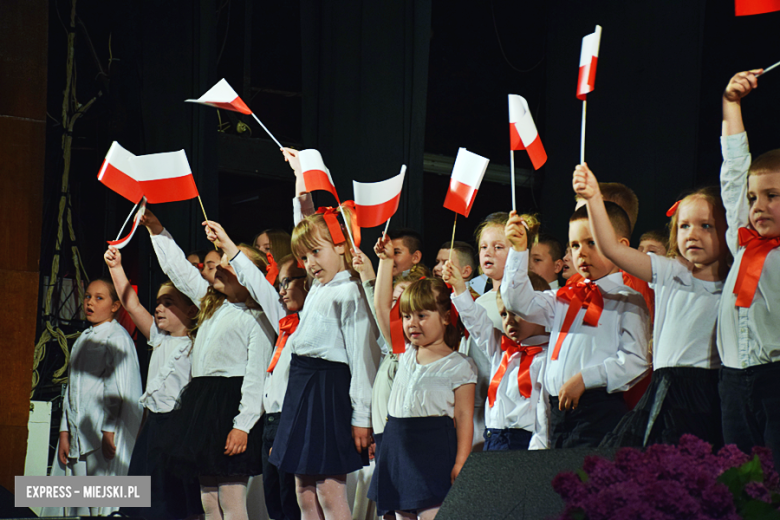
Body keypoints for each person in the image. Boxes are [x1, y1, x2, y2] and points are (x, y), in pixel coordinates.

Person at [574, 165, 729, 448]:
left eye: (706, 225)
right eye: (684, 226)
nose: (692, 234)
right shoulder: (671, 273)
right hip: (665, 389)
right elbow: (612, 248)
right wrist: (594, 198)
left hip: (709, 393)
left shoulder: (734, 284)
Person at [142, 211, 275, 520]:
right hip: (202, 402)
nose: (219, 268)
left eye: (229, 264)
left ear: (248, 276)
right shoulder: (210, 304)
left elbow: (255, 378)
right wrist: (157, 230)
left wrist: (242, 425)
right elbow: (178, 271)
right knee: (209, 502)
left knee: (231, 500)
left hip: (230, 404)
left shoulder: (257, 320)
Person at [270, 149, 380, 520]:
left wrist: (361, 415)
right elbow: (306, 215)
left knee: (330, 493)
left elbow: (363, 356)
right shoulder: (319, 284)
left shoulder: (350, 289)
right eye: (304, 258)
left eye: (316, 253)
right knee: (304, 491)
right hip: (303, 386)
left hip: (328, 390)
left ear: (342, 246)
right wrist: (302, 173)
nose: (310, 264)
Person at [501, 206, 650, 448]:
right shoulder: (563, 297)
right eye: (576, 245)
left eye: (592, 243)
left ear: (620, 246)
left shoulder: (628, 300)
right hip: (557, 413)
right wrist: (518, 252)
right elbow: (518, 302)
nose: (582, 253)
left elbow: (636, 360)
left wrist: (586, 378)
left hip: (597, 411)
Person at [205, 221, 304, 520]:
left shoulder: (293, 322)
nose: (282, 290)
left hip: (292, 420)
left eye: (289, 282)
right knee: (277, 505)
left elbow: (258, 285)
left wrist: (228, 244)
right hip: (272, 424)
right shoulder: (282, 323)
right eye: (281, 283)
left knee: (300, 504)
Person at [104, 246, 203, 519]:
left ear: (191, 309)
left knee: (170, 501)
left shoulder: (197, 346)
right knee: (142, 499)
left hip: (179, 430)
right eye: (159, 302)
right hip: (154, 429)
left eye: (169, 303)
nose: (159, 308)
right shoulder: (159, 338)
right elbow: (132, 304)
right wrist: (116, 268)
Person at [371, 278, 477, 519]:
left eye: (422, 315)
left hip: (434, 448)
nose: (412, 324)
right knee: (401, 515)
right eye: (407, 316)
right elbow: (380, 307)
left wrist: (461, 461)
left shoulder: (459, 365)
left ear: (445, 317)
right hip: (398, 445)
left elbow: (463, 417)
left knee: (433, 514)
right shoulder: (404, 352)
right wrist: (385, 261)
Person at [718, 69, 780, 469]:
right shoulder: (741, 240)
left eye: (773, 196)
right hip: (733, 381)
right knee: (741, 480)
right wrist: (731, 104)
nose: (758, 206)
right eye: (754, 197)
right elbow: (734, 171)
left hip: (776, 380)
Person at [43, 278, 143, 517]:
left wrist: (109, 431)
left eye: (99, 298)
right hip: (80, 434)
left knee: (101, 502)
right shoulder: (83, 338)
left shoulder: (116, 339)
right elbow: (72, 387)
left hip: (100, 437)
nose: (90, 303)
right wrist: (65, 431)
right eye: (88, 296)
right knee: (80, 502)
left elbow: (116, 389)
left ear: (115, 305)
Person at [445, 259, 551, 451]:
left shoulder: (548, 358)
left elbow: (545, 414)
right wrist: (459, 287)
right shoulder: (502, 350)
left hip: (526, 443)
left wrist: (540, 453)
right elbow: (477, 323)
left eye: (516, 313)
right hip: (493, 439)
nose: (509, 321)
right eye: (503, 314)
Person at [368, 235, 429, 519]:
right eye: (397, 307)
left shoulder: (439, 353)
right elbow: (380, 306)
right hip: (390, 435)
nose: (399, 315)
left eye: (406, 308)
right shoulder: (399, 348)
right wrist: (385, 261)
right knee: (395, 509)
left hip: (426, 439)